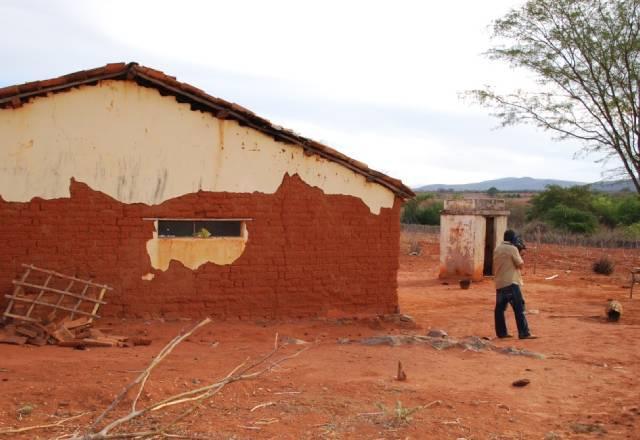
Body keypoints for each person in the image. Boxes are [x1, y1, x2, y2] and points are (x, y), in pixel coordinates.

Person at [493, 229, 536, 339]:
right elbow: (520, 265)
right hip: (511, 283)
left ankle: (501, 333)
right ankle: (524, 333)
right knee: (519, 308)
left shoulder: (497, 248)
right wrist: (521, 254)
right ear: (512, 239)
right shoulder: (512, 249)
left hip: (499, 283)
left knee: (499, 310)